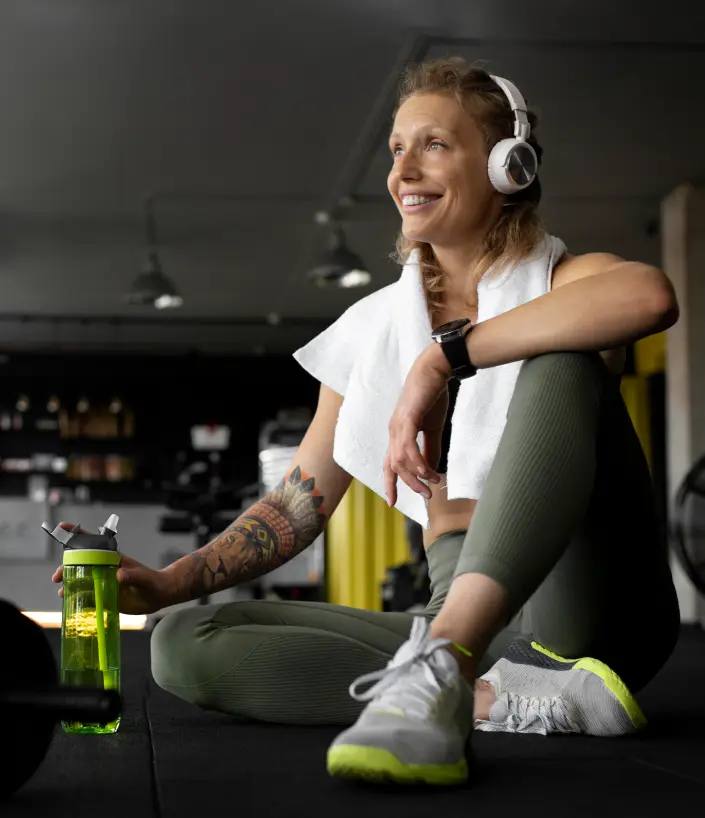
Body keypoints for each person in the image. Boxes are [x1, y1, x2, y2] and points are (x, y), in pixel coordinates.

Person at [52, 58, 681, 786]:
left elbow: (648, 295)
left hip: (592, 611)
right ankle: (483, 695)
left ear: (509, 165)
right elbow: (295, 505)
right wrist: (170, 583)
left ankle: (443, 665)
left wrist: (444, 359)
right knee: (183, 642)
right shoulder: (374, 327)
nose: (403, 170)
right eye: (394, 149)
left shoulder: (563, 279)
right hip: (472, 620)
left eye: (434, 144)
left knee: (561, 357)